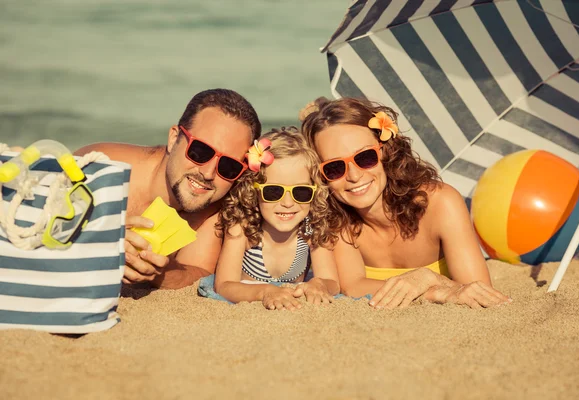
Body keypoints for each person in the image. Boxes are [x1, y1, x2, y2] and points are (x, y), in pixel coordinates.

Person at [300, 97, 511, 309]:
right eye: (334, 168)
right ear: (321, 176)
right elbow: (353, 286)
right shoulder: (337, 219)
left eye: (365, 157)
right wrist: (431, 289)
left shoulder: (441, 204)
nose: (354, 176)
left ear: (386, 151)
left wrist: (428, 277)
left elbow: (479, 290)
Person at [74, 89, 261, 289]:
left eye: (228, 166)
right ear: (174, 139)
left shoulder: (214, 209)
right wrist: (97, 239)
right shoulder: (103, 167)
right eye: (200, 151)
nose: (208, 173)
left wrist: (158, 273)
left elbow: (198, 272)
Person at [214, 127, 340, 310]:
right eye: (273, 192)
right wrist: (265, 291)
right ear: (253, 190)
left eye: (301, 192)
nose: (288, 203)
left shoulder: (312, 229)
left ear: (315, 192)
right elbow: (224, 285)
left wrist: (319, 283)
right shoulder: (243, 228)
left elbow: (333, 282)